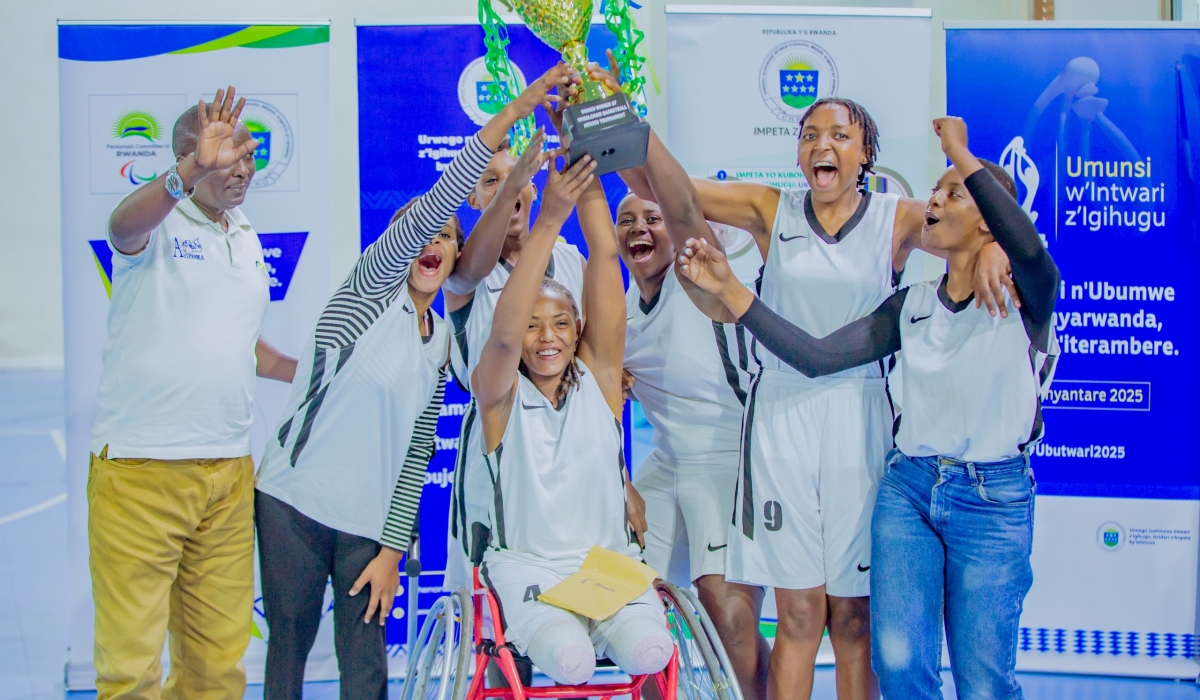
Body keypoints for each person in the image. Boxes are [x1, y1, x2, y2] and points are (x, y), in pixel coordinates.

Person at [620, 91, 1018, 699]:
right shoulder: (769, 207)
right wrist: (624, 118)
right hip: (780, 416)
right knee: (800, 615)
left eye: (838, 134)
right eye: (808, 135)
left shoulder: (900, 216)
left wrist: (994, 247)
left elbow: (974, 229)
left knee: (854, 621)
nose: (821, 145)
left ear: (865, 155)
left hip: (860, 416)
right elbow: (667, 189)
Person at [251, 68, 572, 700]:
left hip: (365, 523)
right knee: (288, 646)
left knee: (366, 665)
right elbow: (437, 200)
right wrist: (522, 111)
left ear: (456, 258)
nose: (435, 240)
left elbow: (414, 456)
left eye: (448, 239)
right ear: (397, 247)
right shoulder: (365, 296)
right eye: (424, 233)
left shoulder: (443, 343)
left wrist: (393, 550)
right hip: (293, 503)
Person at [88, 86, 297, 700]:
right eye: (225, 157)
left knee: (217, 665)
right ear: (189, 158)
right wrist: (184, 177)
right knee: (130, 671)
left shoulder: (246, 232)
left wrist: (303, 369)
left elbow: (237, 339)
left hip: (227, 473)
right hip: (142, 471)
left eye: (248, 156)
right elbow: (118, 228)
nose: (241, 170)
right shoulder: (155, 224)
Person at [471, 145, 673, 687]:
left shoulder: (601, 380)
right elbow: (504, 332)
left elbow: (606, 257)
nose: (546, 339)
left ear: (579, 329)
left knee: (652, 650)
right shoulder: (497, 394)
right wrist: (551, 214)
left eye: (560, 323)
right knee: (570, 662)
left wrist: (586, 163)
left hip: (603, 567)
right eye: (534, 325)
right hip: (532, 571)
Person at [617, 193, 770, 700]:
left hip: (729, 459)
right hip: (664, 462)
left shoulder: (702, 273)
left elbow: (683, 205)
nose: (639, 228)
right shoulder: (619, 314)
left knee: (727, 611)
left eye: (652, 219)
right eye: (627, 221)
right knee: (635, 609)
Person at [440, 125, 586, 593]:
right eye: (490, 182)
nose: (507, 188)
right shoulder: (463, 272)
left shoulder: (569, 262)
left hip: (567, 452)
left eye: (517, 176)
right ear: (473, 203)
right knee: (500, 620)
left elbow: (597, 378)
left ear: (535, 184)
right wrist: (514, 185)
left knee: (571, 600)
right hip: (495, 456)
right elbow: (469, 275)